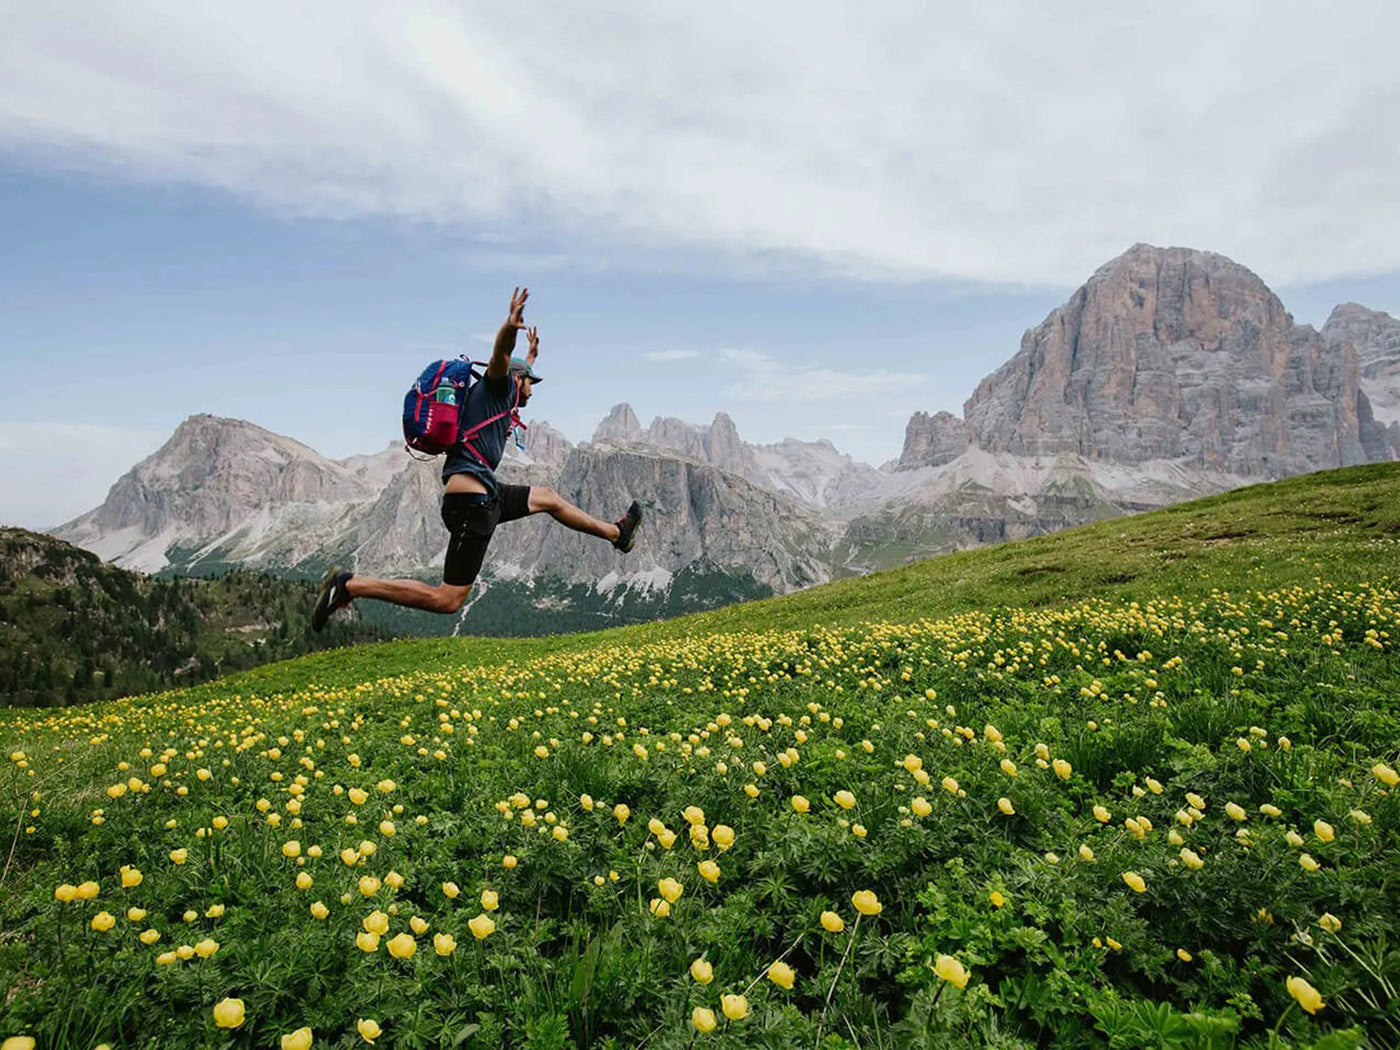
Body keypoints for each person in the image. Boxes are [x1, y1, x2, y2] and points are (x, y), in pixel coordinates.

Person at [312, 287, 642, 629]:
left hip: (485, 493)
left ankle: (618, 534)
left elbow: (515, 367)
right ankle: (349, 585)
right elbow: (501, 356)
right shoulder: (498, 387)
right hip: (472, 503)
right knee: (448, 599)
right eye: (531, 383)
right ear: (517, 380)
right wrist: (509, 327)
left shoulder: (496, 399)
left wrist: (530, 356)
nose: (533, 390)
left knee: (548, 498)